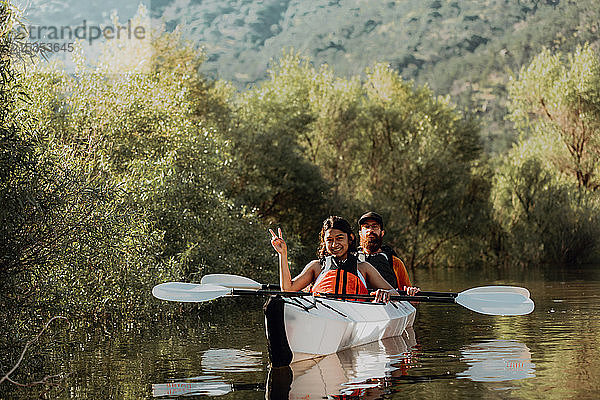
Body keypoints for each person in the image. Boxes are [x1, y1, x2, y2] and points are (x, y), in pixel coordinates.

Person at [269, 216, 408, 303]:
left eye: (339, 239)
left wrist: (385, 293)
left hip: (356, 317)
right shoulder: (317, 267)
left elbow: (394, 292)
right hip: (322, 315)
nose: (334, 245)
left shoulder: (363, 268)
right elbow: (288, 289)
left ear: (350, 238)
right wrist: (283, 254)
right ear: (324, 242)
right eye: (329, 240)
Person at [357, 211, 419, 296]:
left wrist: (411, 293)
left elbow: (408, 298)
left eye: (375, 227)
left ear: (382, 233)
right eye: (366, 227)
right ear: (360, 233)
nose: (370, 230)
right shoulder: (352, 259)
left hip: (389, 304)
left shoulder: (395, 262)